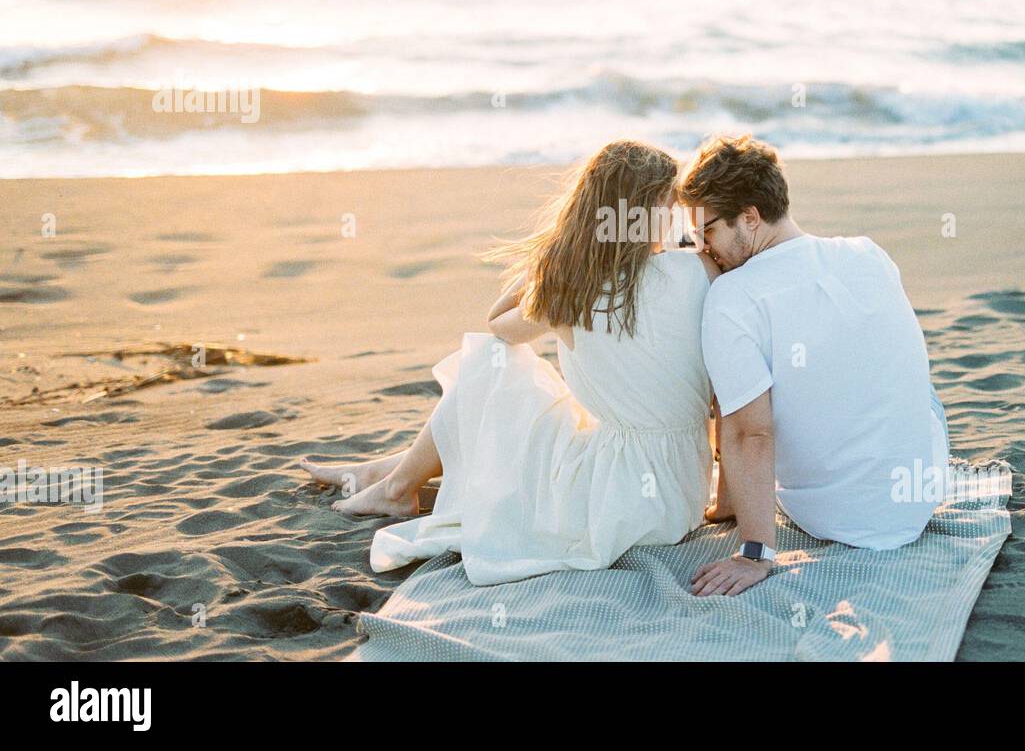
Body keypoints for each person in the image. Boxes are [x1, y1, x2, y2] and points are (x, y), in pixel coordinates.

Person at [303, 139, 720, 586]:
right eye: (671, 202)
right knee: (517, 388)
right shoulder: (700, 269)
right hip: (681, 493)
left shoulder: (573, 293)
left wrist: (560, 254)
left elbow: (497, 325)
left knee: (492, 360)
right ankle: (388, 474)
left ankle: (396, 485)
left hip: (615, 502)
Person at [678, 135, 950, 598]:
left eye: (706, 231)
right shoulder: (868, 252)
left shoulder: (733, 295)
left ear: (750, 217)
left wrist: (754, 553)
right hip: (920, 497)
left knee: (754, 403)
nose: (703, 249)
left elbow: (751, 435)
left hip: (837, 514)